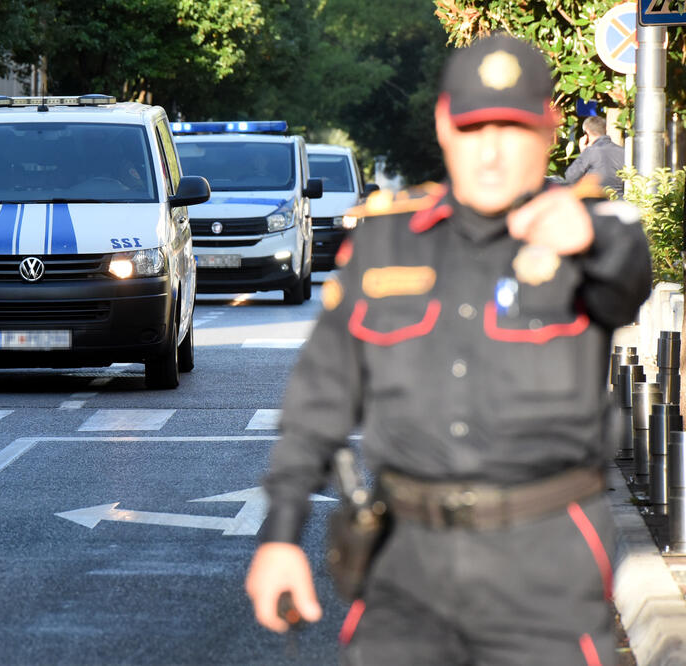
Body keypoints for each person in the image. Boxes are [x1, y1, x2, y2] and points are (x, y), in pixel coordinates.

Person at [245, 34, 651, 665]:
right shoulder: (385, 244)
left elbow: (630, 273)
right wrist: (280, 536)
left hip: (546, 564)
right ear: (443, 125)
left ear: (548, 129)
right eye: (473, 126)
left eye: (512, 128)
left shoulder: (591, 235)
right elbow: (318, 401)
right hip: (406, 566)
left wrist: (587, 242)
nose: (491, 151)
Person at [565, 115, 626, 196]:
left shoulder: (590, 152)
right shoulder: (623, 151)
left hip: (596, 200)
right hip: (619, 201)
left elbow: (570, 177)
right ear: (605, 130)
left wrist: (583, 152)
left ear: (587, 133)